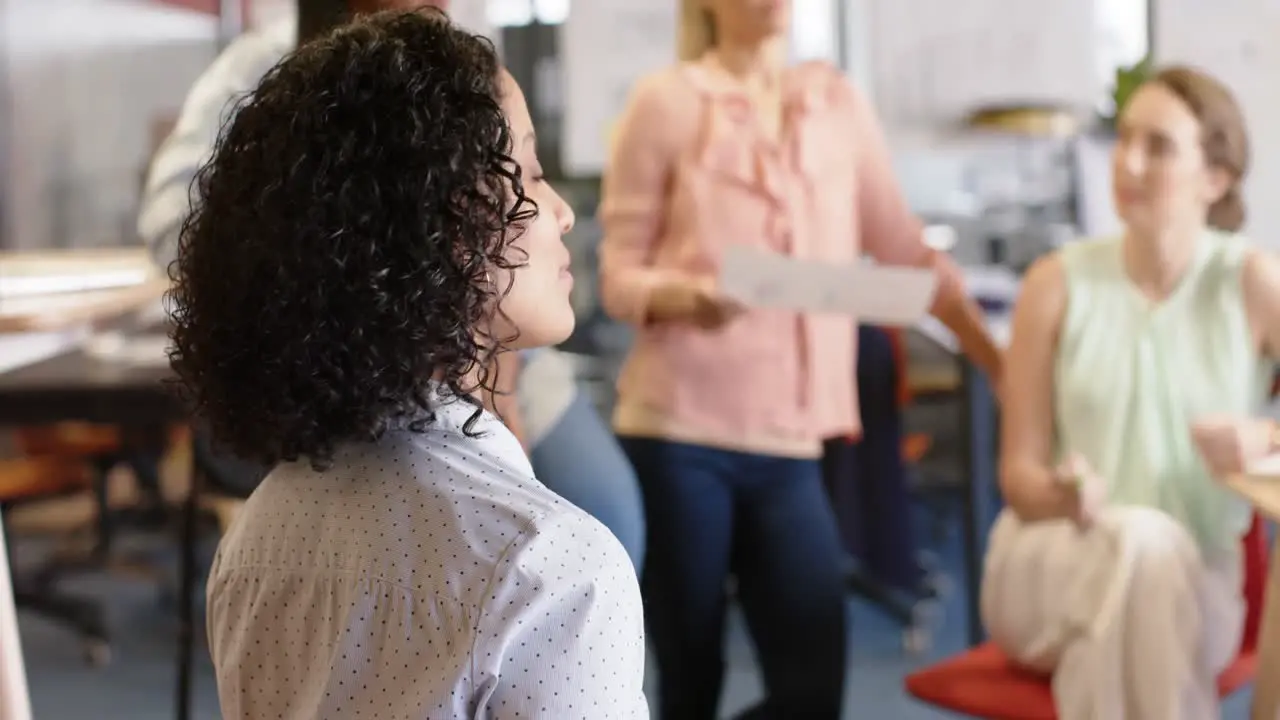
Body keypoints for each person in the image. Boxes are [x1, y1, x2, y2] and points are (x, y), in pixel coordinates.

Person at [167, 11, 647, 717]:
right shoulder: (555, 571)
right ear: (447, 228)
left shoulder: (256, 536)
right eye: (534, 175)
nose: (562, 212)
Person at [598, 0, 1002, 716]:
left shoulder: (837, 102)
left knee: (813, 692)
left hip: (790, 445)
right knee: (689, 683)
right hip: (678, 432)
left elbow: (905, 249)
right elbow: (618, 276)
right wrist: (691, 296)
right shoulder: (665, 102)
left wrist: (996, 357)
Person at [982, 65, 1280, 719]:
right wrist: (1060, 495)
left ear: (1216, 178)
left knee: (1134, 603)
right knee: (1139, 550)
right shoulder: (1054, 283)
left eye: (1159, 146)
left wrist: (1265, 435)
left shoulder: (1252, 282)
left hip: (1197, 581)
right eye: (1124, 139)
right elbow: (1018, 477)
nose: (1128, 162)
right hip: (1052, 562)